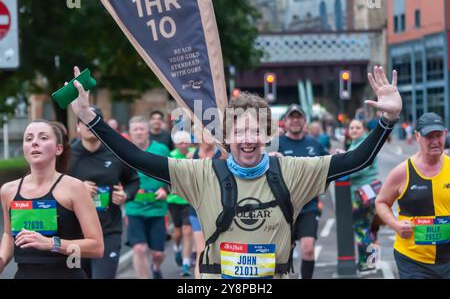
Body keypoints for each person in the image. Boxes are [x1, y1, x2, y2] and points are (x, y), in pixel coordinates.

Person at [71, 65, 401, 279]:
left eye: (255, 131)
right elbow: (139, 159)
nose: (247, 139)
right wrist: (91, 119)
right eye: (239, 132)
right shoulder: (201, 174)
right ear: (227, 137)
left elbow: (356, 160)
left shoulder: (292, 171)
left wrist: (386, 121)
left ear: (268, 135)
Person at [0, 120, 103, 279]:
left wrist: (51, 244)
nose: (34, 142)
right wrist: (2, 259)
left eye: (43, 137)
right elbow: (8, 234)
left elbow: (96, 247)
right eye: (28, 139)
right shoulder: (8, 190)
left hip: (68, 272)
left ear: (58, 148)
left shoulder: (75, 188)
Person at [376, 112, 450, 279]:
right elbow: (381, 202)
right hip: (413, 261)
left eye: (438, 135)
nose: (435, 142)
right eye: (429, 137)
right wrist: (395, 224)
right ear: (417, 136)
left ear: (445, 134)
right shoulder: (403, 172)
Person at [68, 107, 140, 279]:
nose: (88, 125)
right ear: (77, 126)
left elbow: (133, 181)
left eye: (92, 120)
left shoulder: (116, 152)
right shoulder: (68, 154)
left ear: (100, 124)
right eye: (83, 121)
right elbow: (53, 185)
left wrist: (126, 195)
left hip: (108, 231)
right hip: (75, 234)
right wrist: (78, 189)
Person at [277, 105, 328, 279]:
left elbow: (329, 166)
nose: (296, 120)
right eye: (292, 117)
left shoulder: (315, 145)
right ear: (285, 122)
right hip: (283, 209)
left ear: (305, 121)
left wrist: (338, 155)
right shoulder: (276, 144)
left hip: (308, 206)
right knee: (282, 254)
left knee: (307, 249)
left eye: (299, 117)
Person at [126, 116, 170, 279]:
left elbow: (174, 173)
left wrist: (165, 189)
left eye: (141, 129)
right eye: (135, 129)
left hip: (157, 208)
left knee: (158, 253)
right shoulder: (124, 150)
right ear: (129, 133)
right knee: (138, 248)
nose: (138, 132)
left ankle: (156, 266)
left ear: (148, 132)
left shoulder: (161, 150)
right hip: (134, 207)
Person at [188, 140, 226, 278]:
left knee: (220, 251)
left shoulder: (223, 154)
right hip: (197, 209)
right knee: (202, 250)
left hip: (219, 209)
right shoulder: (191, 156)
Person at [347, 119, 380, 274]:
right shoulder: (358, 144)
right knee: (371, 229)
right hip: (370, 192)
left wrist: (343, 172)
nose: (354, 130)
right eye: (352, 127)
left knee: (361, 228)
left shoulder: (362, 144)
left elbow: (359, 168)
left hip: (361, 194)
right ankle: (373, 262)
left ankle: (366, 264)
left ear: (364, 130)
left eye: (357, 127)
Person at [168, 131, 196, 277]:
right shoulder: (171, 156)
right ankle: (176, 247)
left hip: (189, 199)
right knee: (178, 231)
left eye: (186, 142)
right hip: (174, 200)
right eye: (181, 143)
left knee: (187, 230)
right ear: (176, 144)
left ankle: (185, 264)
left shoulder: (194, 153)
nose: (184, 145)